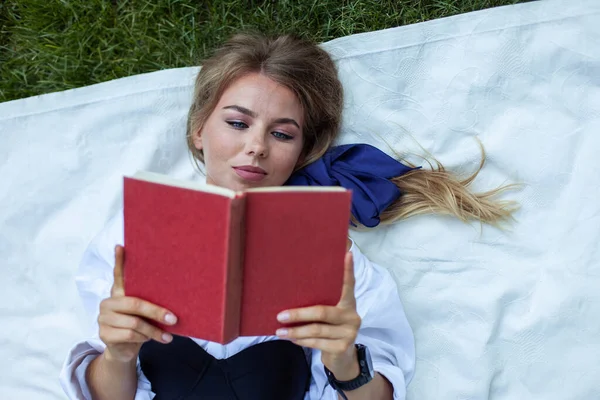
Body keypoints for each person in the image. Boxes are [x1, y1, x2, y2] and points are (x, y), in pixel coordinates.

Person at [60, 32, 516, 400]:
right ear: (199, 129)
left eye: (282, 133)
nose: (256, 145)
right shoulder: (129, 239)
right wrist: (118, 355)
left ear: (300, 150)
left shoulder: (341, 268)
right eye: (237, 123)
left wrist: (346, 364)